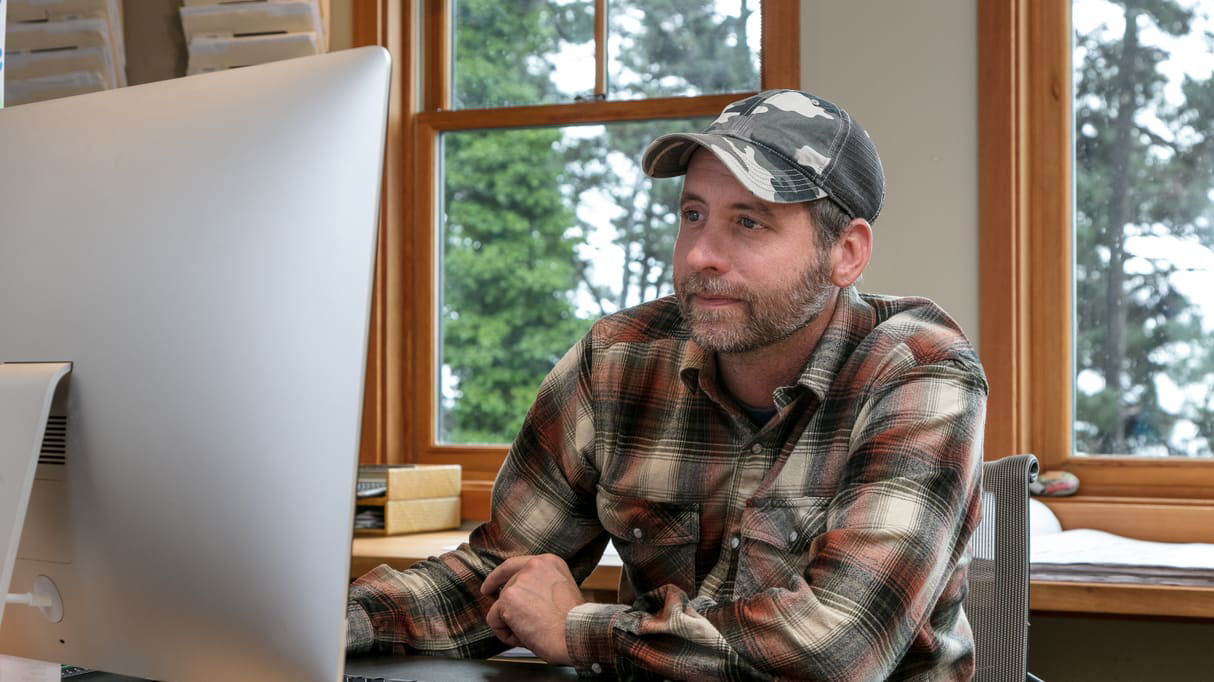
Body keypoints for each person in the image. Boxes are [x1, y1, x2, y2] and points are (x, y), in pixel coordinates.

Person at [346, 89, 987, 680]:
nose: (699, 255)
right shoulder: (618, 360)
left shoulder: (918, 371)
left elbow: (837, 650)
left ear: (846, 252)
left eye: (749, 222)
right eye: (693, 214)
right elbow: (497, 576)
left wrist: (580, 631)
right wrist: (339, 620)